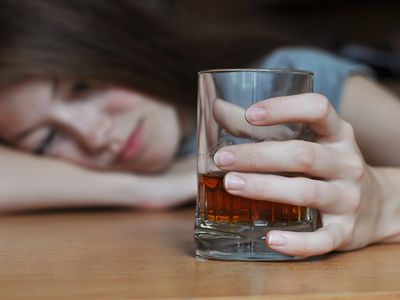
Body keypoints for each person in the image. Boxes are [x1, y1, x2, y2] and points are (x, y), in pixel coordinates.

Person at [0, 0, 399, 259]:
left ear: (119, 50)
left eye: (83, 87)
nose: (93, 134)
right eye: (47, 138)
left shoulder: (287, 86)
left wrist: (379, 200)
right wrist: (147, 190)